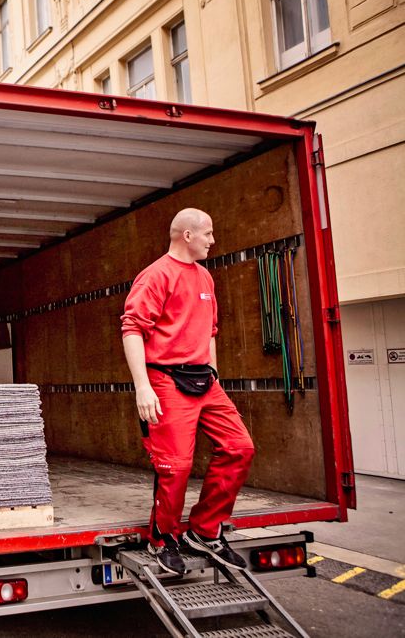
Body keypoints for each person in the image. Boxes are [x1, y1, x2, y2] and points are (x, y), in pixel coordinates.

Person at [121, 208, 255, 575]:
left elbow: (210, 331)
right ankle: (162, 538)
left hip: (204, 380)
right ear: (187, 236)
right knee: (175, 467)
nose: (212, 240)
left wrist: (214, 374)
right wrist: (143, 387)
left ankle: (205, 529)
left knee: (240, 447)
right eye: (208, 234)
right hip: (165, 379)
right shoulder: (156, 276)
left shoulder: (205, 278)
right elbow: (132, 329)